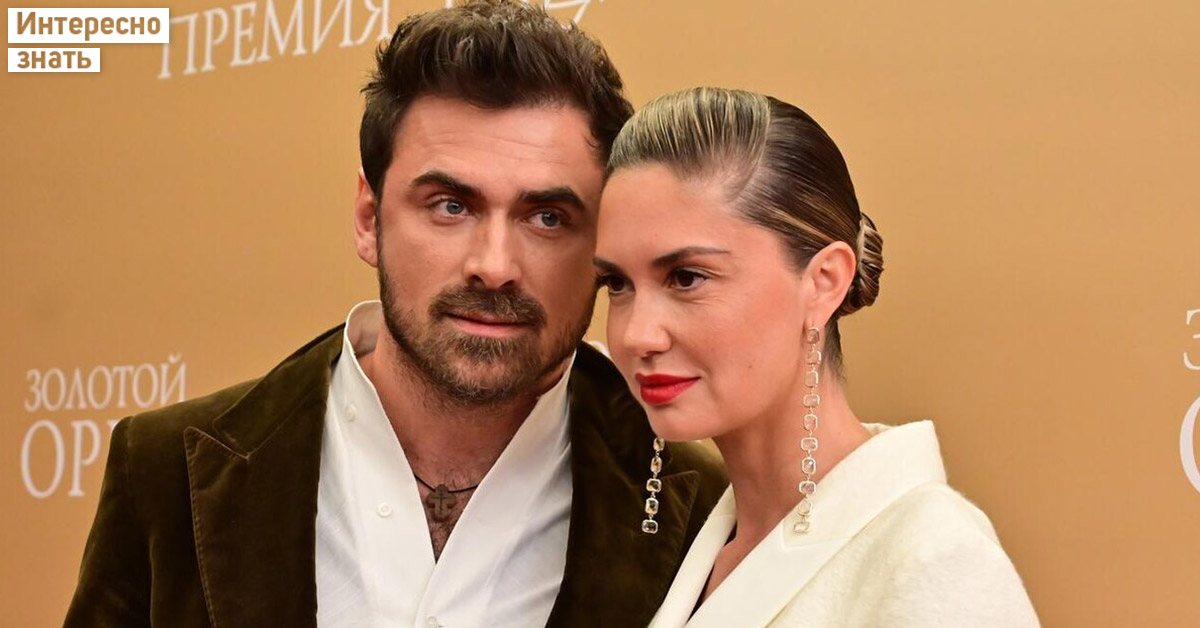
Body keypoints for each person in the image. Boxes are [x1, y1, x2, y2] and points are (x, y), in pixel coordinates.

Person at [63, 4, 726, 628]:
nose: (494, 266)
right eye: (450, 206)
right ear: (368, 217)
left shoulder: (708, 509)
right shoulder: (164, 471)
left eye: (547, 217)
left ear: (602, 242)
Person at [594, 87, 1040, 628]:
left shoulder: (935, 560)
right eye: (616, 284)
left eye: (686, 278)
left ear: (824, 281)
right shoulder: (715, 543)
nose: (638, 334)